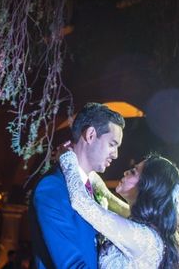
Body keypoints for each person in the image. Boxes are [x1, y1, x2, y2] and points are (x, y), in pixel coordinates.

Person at [59, 148, 179, 269]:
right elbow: (106, 195)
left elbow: (81, 202)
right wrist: (85, 164)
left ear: (147, 187)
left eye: (133, 172)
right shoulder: (145, 226)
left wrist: (67, 156)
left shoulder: (145, 238)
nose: (126, 172)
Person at [31, 102, 125, 269]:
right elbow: (70, 264)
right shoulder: (52, 187)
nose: (116, 155)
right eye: (112, 145)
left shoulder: (92, 189)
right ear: (90, 135)